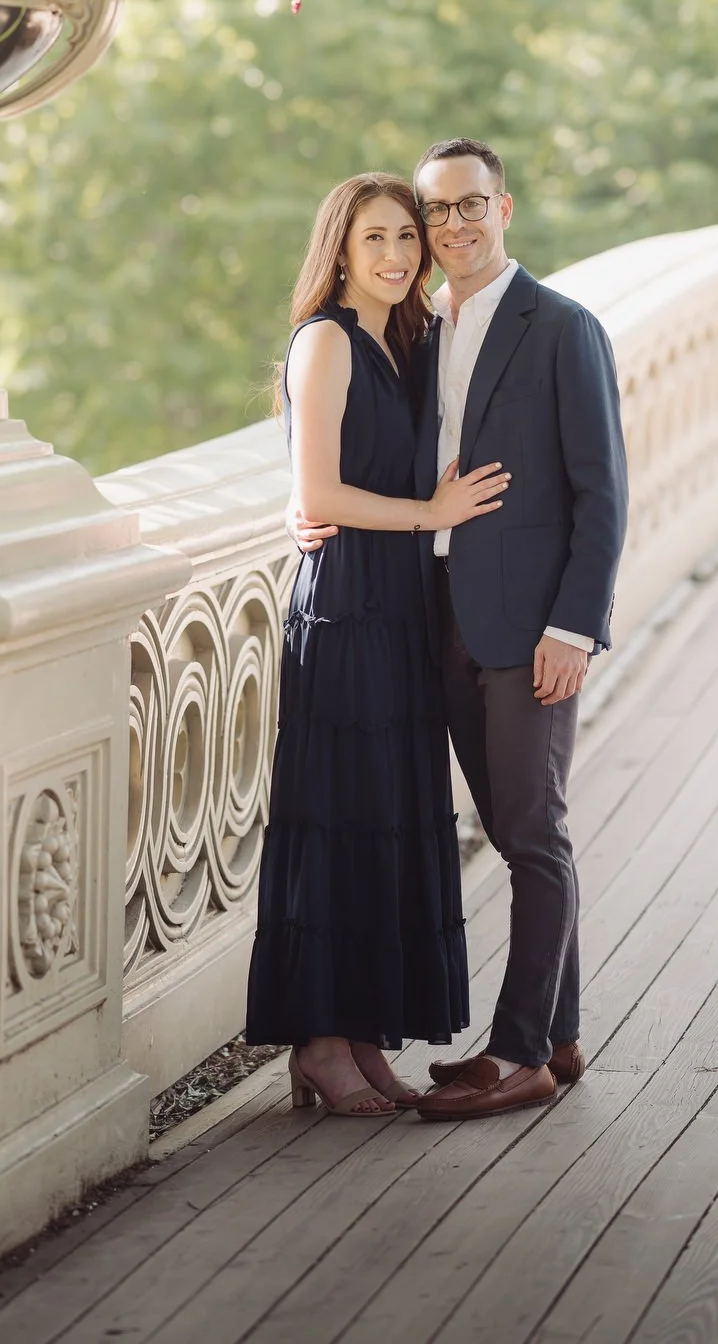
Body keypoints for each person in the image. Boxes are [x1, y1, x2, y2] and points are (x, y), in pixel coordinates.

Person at [293, 139, 628, 1121]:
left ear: (504, 208)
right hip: (430, 623)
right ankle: (558, 1037)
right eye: (435, 213)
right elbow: (359, 450)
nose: (452, 226)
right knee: (512, 829)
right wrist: (300, 505)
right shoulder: (420, 331)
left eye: (468, 206)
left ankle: (519, 1052)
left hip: (530, 630)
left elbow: (603, 495)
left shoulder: (564, 327)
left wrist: (575, 624)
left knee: (532, 831)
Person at [244, 172, 510, 1117]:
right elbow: (319, 495)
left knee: (388, 825)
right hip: (347, 610)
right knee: (340, 821)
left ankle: (362, 1035)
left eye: (408, 236)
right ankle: (318, 1041)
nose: (398, 255)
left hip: (402, 611)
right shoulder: (325, 342)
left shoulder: (414, 340)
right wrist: (425, 511)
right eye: (376, 241)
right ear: (340, 252)